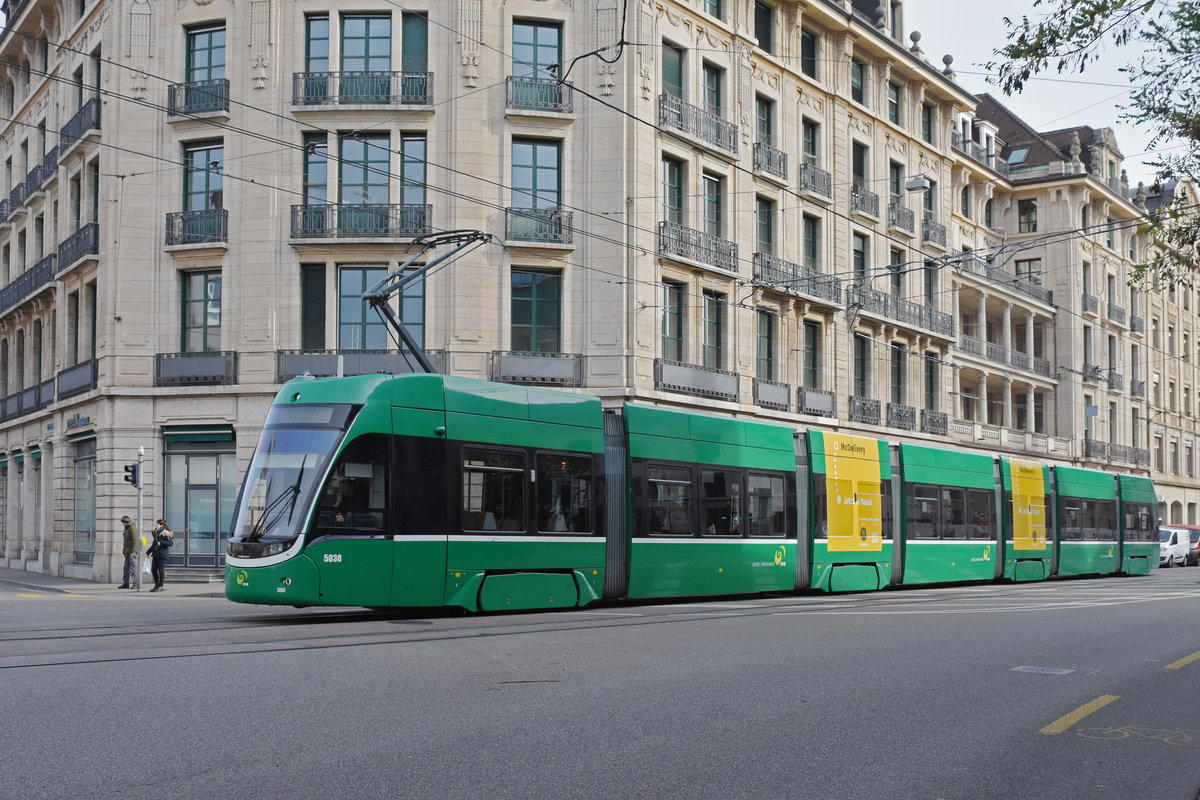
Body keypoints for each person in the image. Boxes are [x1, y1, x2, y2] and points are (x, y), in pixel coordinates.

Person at [146, 519, 174, 592]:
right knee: (153, 570)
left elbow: (170, 543)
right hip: (155, 554)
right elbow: (154, 544)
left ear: (161, 525)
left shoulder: (166, 533)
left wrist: (161, 542)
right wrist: (148, 552)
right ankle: (157, 585)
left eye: (157, 524)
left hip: (162, 554)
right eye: (156, 524)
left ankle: (161, 585)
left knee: (160, 570)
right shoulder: (156, 533)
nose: (156, 525)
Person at [116, 515, 138, 589]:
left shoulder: (132, 528)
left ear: (126, 522)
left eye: (123, 522)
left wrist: (133, 551)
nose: (122, 524)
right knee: (126, 568)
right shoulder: (126, 528)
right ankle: (126, 583)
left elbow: (135, 540)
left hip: (132, 552)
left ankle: (136, 583)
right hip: (127, 552)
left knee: (133, 568)